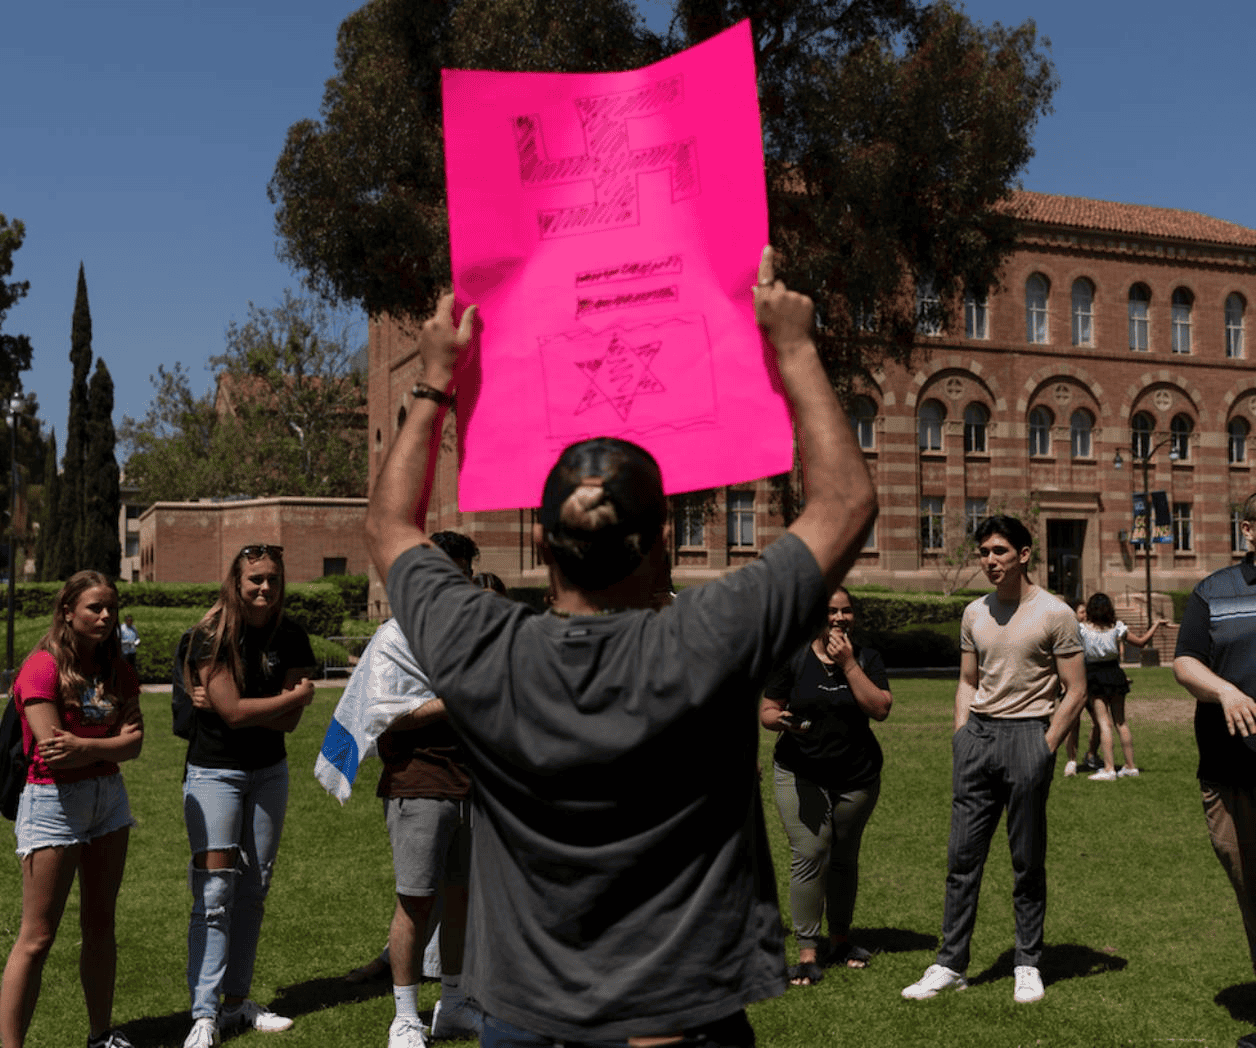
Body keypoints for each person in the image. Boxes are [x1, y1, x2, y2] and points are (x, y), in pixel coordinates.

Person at [363, 245, 876, 1047]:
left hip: (526, 1020)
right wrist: (795, 347)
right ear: (662, 540)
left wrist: (434, 380)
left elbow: (389, 527)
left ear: (541, 540)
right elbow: (845, 501)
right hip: (685, 1021)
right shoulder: (711, 638)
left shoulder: (483, 646)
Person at [902, 515, 1086, 1005]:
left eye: (1000, 551)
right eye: (984, 552)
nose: (990, 561)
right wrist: (961, 736)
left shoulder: (1055, 613)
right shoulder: (974, 613)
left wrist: (1044, 747)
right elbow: (967, 680)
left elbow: (1077, 690)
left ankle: (1027, 962)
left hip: (1029, 736)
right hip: (978, 739)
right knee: (961, 860)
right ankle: (950, 963)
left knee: (1026, 861)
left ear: (1024, 554)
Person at [179, 544, 317, 1048]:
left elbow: (288, 721)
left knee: (254, 887)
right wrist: (287, 698)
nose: (264, 588)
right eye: (255, 579)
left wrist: (250, 706)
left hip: (268, 773)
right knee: (215, 892)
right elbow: (237, 714)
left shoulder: (293, 635)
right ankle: (204, 1014)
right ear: (236, 582)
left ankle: (237, 1004)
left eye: (272, 580)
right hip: (215, 773)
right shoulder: (211, 635)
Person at [0, 571, 143, 1048]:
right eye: (94, 609)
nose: (105, 617)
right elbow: (52, 747)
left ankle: (100, 1035)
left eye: (110, 608)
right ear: (67, 612)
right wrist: (106, 744)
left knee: (101, 924)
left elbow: (136, 743)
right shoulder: (41, 667)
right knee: (37, 937)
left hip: (108, 802)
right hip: (53, 803)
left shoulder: (117, 669)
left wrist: (86, 746)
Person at [378, 530, 483, 1048]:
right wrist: (455, 698)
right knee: (416, 901)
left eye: (462, 574)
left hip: (473, 785)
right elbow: (388, 716)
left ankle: (456, 1004)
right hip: (419, 783)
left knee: (462, 900)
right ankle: (404, 1016)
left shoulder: (475, 632)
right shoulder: (397, 636)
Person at [760, 585, 892, 986]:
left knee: (843, 857)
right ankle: (806, 952)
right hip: (801, 772)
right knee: (811, 850)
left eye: (846, 611)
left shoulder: (866, 656)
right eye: (831, 611)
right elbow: (767, 709)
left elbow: (881, 708)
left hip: (856, 778)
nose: (839, 619)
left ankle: (840, 939)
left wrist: (849, 664)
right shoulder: (794, 657)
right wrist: (777, 720)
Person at [1173, 492, 1256, 1048]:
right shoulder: (1215, 591)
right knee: (1251, 891)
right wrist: (1223, 689)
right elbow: (1184, 661)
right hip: (1231, 776)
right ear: (1249, 531)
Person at [1079, 593, 1166, 781]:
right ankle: (1130, 766)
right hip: (1115, 673)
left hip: (1095, 675)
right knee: (1121, 722)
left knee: (1104, 724)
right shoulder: (1117, 628)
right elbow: (1142, 642)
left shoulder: (1083, 630)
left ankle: (1109, 769)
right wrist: (1156, 626)